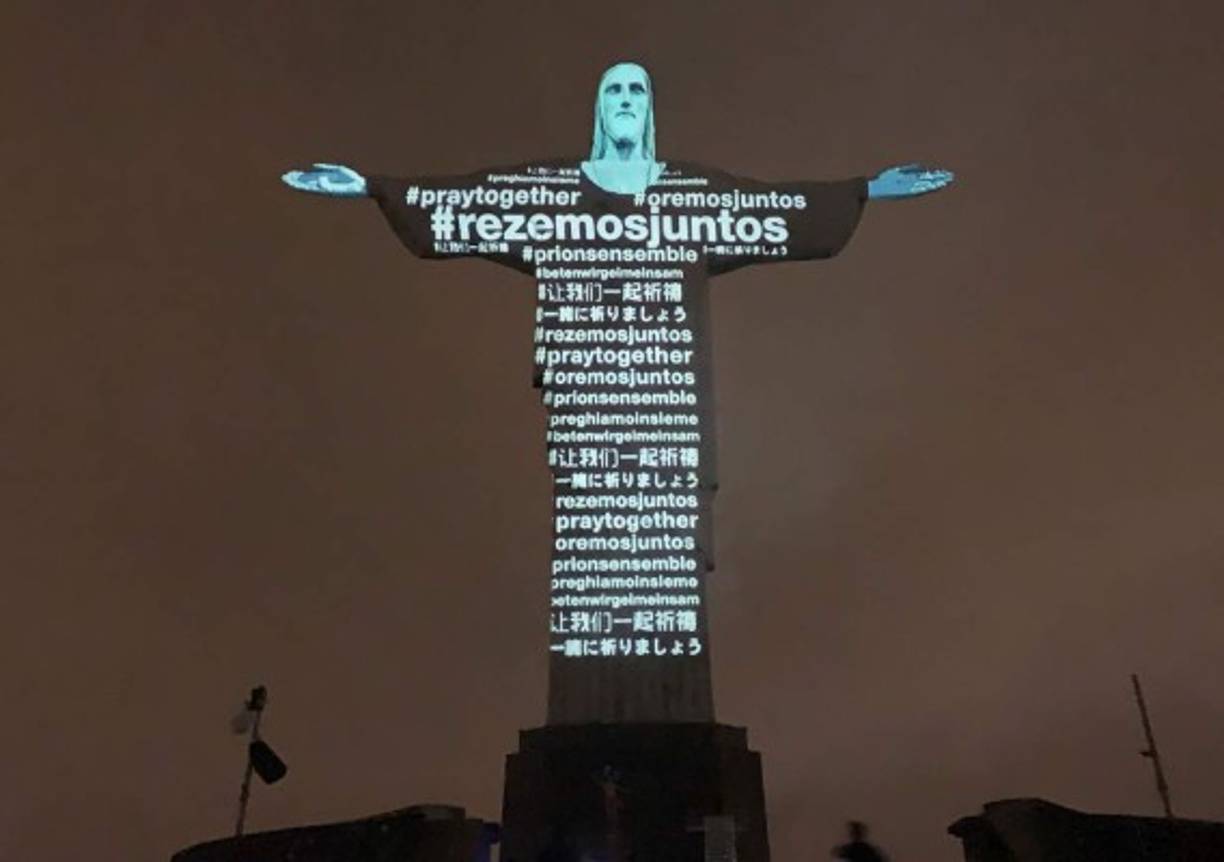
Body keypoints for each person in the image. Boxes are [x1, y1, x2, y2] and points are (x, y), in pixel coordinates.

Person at [280, 61, 954, 726]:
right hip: (590, 422)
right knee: (591, 584)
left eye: (637, 90)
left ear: (650, 108)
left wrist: (864, 189)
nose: (626, 100)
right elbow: (462, 200)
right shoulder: (548, 192)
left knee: (664, 579)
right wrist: (371, 186)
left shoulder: (690, 194)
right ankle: (595, 701)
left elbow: (773, 207)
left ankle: (666, 704)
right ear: (599, 109)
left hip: (664, 418)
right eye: (614, 91)